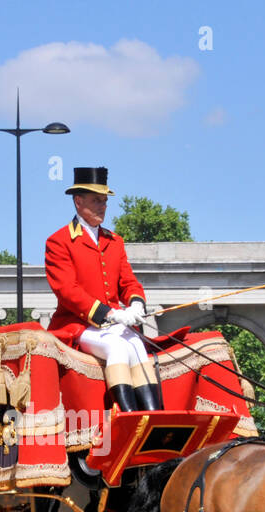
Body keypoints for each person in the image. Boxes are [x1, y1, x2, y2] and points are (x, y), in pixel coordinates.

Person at [44, 166, 162, 412]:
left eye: (105, 202)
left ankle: (153, 415)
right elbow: (67, 291)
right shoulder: (59, 241)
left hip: (112, 324)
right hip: (78, 325)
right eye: (96, 200)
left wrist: (136, 302)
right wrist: (110, 313)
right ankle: (127, 415)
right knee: (118, 346)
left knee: (138, 346)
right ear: (78, 201)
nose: (102, 206)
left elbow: (128, 280)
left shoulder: (114, 241)